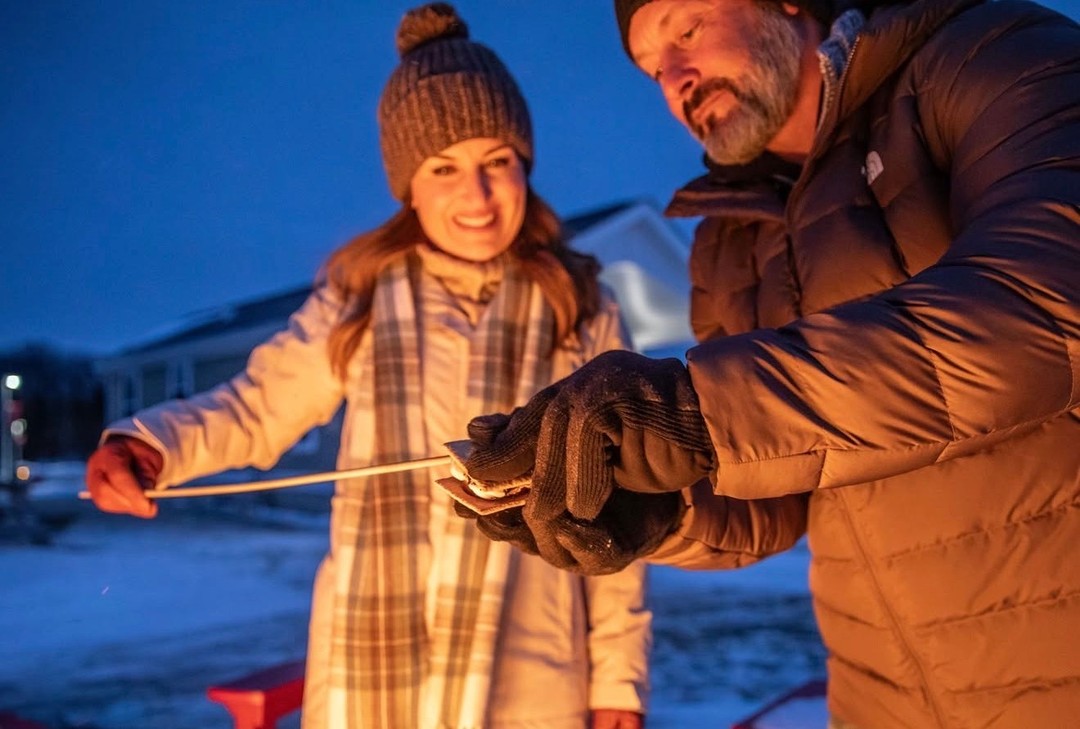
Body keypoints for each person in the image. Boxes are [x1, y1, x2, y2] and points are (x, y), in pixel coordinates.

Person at [453, 0, 1080, 727]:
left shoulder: (991, 58)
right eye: (654, 70)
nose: (676, 79)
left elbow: (1047, 302)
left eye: (687, 31)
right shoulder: (729, 241)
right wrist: (652, 503)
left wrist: (697, 409)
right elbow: (773, 486)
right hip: (883, 696)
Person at [84, 4, 651, 728]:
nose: (476, 195)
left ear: (525, 166)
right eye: (444, 168)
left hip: (529, 673)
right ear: (408, 185)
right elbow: (256, 409)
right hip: (374, 670)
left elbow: (615, 504)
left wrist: (618, 683)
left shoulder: (579, 306)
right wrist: (150, 444)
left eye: (496, 162)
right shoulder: (359, 301)